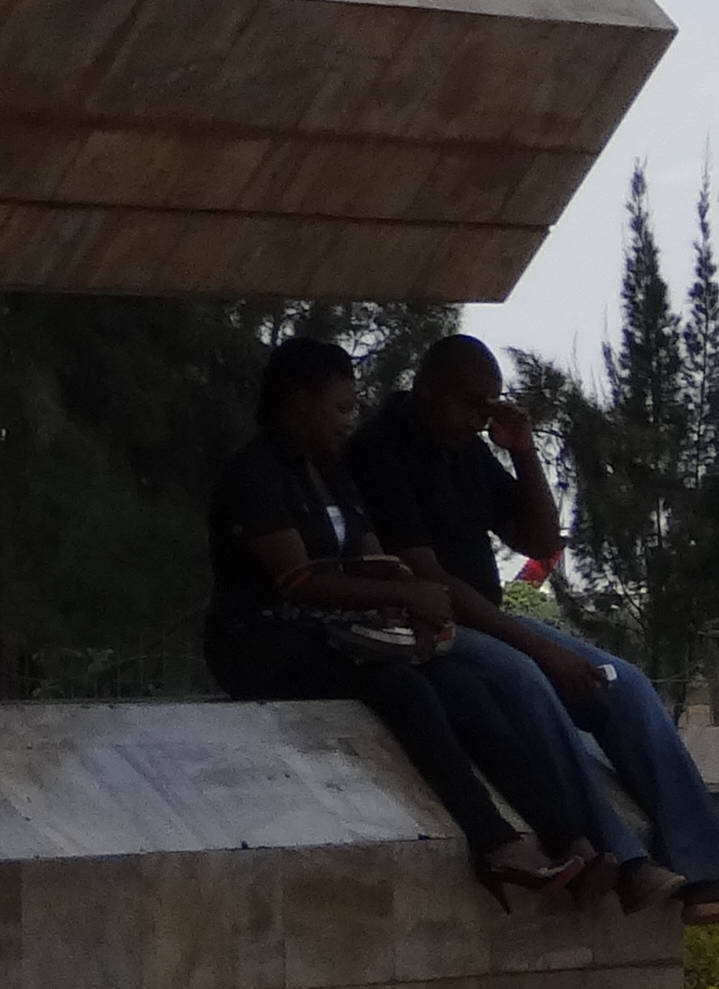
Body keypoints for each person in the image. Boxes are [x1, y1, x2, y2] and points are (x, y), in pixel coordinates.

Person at [344, 330, 719, 927]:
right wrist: (544, 649)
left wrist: (522, 451)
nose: (477, 418)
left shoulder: (463, 446)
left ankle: (712, 868)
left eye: (489, 405)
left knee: (624, 683)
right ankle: (622, 855)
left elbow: (540, 543)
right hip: (427, 626)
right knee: (529, 679)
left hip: (489, 618)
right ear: (428, 388)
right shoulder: (381, 450)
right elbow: (431, 579)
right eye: (470, 403)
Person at [205, 334, 609, 901]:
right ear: (297, 404)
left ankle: (568, 837)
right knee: (403, 690)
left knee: (461, 685)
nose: (350, 421)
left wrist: (405, 591)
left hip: (329, 632)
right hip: (264, 640)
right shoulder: (257, 474)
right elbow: (297, 579)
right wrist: (406, 597)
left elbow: (372, 559)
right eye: (340, 408)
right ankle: (492, 841)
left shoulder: (329, 472)